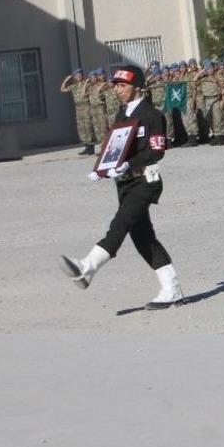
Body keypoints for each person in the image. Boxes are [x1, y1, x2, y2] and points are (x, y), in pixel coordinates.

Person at [61, 65, 184, 310]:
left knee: (120, 223)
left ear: (137, 86)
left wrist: (128, 164)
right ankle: (172, 289)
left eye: (123, 85)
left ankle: (88, 267)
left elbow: (157, 151)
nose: (118, 90)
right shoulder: (122, 114)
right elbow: (115, 147)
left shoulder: (152, 115)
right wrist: (103, 169)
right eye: (116, 86)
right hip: (125, 184)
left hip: (144, 182)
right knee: (143, 238)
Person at [60, 68, 96, 155]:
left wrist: (87, 82)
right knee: (81, 128)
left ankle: (91, 148)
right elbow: (62, 89)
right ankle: (86, 146)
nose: (78, 77)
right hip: (78, 109)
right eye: (76, 75)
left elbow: (92, 87)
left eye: (79, 75)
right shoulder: (74, 86)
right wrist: (66, 80)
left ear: (82, 76)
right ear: (75, 77)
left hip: (86, 108)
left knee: (88, 127)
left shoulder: (87, 83)